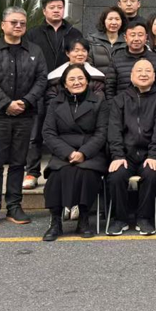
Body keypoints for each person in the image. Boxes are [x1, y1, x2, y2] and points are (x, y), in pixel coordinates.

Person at [0, 6, 48, 227]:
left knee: (19, 162)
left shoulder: (34, 50)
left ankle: (14, 206)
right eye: (14, 22)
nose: (18, 26)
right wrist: (6, 103)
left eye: (22, 23)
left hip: (25, 114)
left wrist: (25, 102)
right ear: (3, 25)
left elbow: (42, 79)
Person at [41, 64, 109, 241]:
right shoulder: (55, 103)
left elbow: (102, 132)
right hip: (63, 151)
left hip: (91, 152)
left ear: (87, 81)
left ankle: (83, 220)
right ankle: (55, 222)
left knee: (86, 174)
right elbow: (48, 132)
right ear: (65, 83)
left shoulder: (99, 102)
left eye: (80, 78)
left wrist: (83, 153)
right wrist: (69, 153)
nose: (76, 82)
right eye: (71, 79)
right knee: (57, 176)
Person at [23, 0, 83, 190]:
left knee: (65, 132)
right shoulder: (33, 34)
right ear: (44, 11)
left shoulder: (74, 33)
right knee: (35, 133)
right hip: (39, 89)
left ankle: (60, 169)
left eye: (60, 7)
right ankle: (32, 172)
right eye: (52, 7)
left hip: (67, 89)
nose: (56, 10)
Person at [106, 59, 156, 236]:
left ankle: (144, 218)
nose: (143, 74)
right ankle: (120, 219)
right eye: (139, 71)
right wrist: (118, 155)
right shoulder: (120, 99)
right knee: (116, 176)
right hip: (126, 154)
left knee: (151, 174)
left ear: (154, 76)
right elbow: (114, 130)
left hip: (150, 153)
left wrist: (154, 154)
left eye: (148, 71)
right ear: (131, 75)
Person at [105, 21, 156, 99]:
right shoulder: (116, 59)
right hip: (122, 103)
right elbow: (109, 88)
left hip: (151, 104)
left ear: (146, 37)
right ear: (125, 38)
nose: (136, 39)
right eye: (132, 35)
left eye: (140, 35)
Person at [87, 6, 127, 79]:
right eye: (110, 19)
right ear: (104, 21)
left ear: (122, 21)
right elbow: (88, 65)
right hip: (98, 82)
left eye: (117, 19)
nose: (114, 22)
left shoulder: (127, 41)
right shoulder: (92, 40)